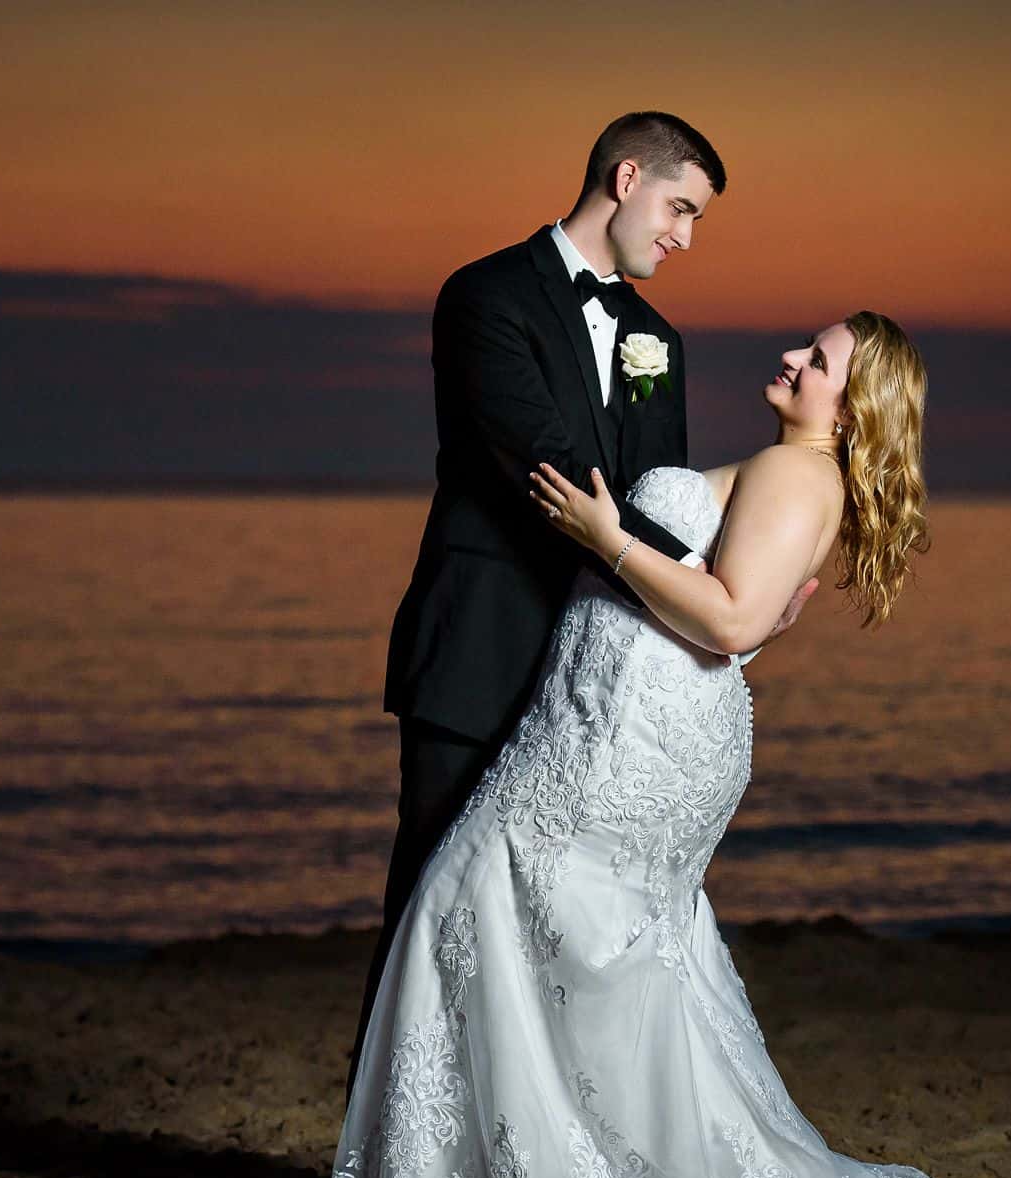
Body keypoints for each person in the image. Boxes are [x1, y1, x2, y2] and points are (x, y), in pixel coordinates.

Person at [326, 310, 992, 1178]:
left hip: (627, 732)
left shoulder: (797, 475)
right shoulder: (798, 478)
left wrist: (607, 536)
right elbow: (753, 607)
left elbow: (729, 621)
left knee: (475, 899)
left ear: (851, 413)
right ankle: (546, 1177)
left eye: (819, 362)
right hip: (620, 713)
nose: (793, 358)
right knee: (566, 936)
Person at [349, 111, 817, 1097]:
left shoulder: (656, 340)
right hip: (479, 648)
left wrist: (721, 602)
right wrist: (714, 601)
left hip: (598, 679)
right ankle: (391, 1176)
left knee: (548, 938)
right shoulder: (484, 296)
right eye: (680, 208)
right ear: (626, 174)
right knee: (428, 914)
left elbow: (650, 498)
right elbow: (543, 470)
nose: (685, 237)